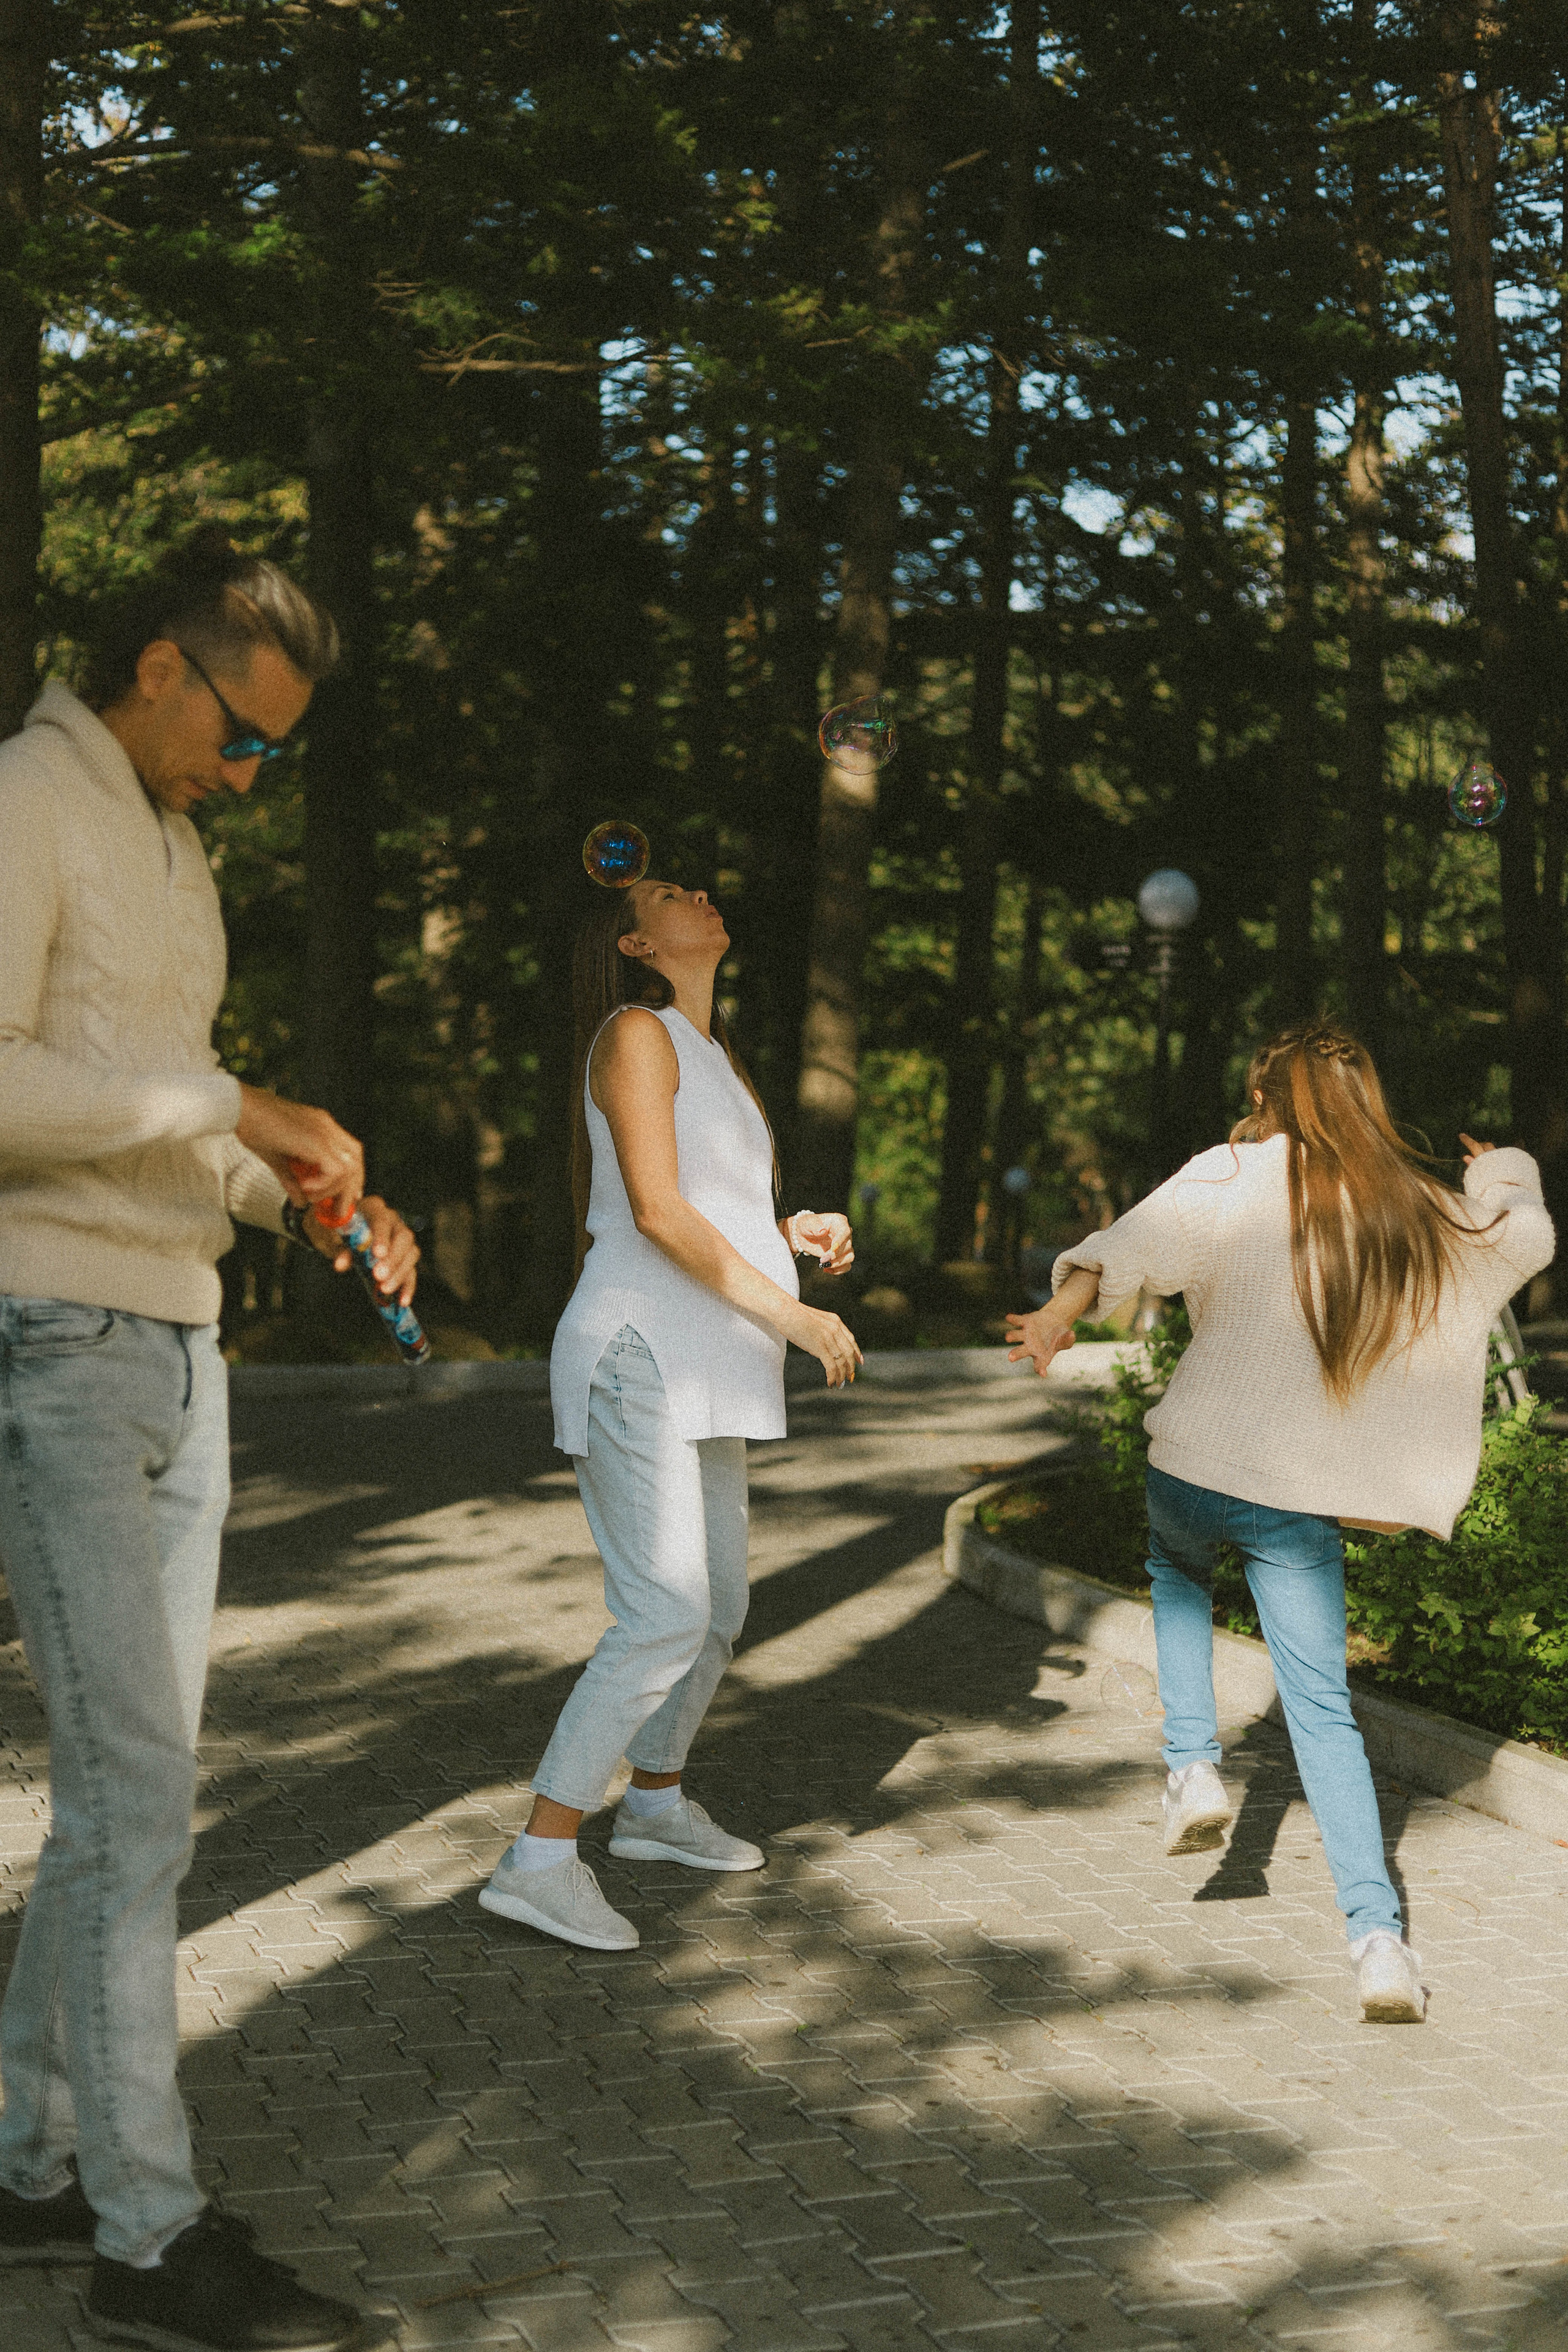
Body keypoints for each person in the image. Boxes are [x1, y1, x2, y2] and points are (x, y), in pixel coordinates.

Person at [0, 535, 419, 2351]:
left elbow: (166, 1127)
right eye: (243, 736)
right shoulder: (26, 794)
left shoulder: (173, 856)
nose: (251, 778)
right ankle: (150, 2244)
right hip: (55, 1342)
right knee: (138, 1796)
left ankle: (25, 2163)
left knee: (126, 1804)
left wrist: (296, 1194)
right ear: (161, 669)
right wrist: (233, 1101)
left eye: (279, 756)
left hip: (183, 1346)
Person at [1006, 1022, 1553, 2025]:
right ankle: (1377, 1942)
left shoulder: (1229, 1174)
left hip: (1197, 1468)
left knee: (1174, 1571)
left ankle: (1190, 1768)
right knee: (1322, 1712)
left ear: (1268, 1096)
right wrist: (1503, 1172)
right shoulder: (1414, 1205)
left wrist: (1055, 1321)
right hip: (1295, 1502)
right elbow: (1523, 1239)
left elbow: (1118, 1250)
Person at [480, 872, 861, 1951]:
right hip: (640, 1351)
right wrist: (798, 1317)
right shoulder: (634, 1032)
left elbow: (708, 1202)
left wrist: (794, 1227)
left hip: (706, 1363)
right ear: (640, 942)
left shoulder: (713, 1054)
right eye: (672, 891)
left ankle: (651, 1806)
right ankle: (539, 1859)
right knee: (662, 1613)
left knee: (720, 1605)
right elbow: (652, 1213)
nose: (701, 892)